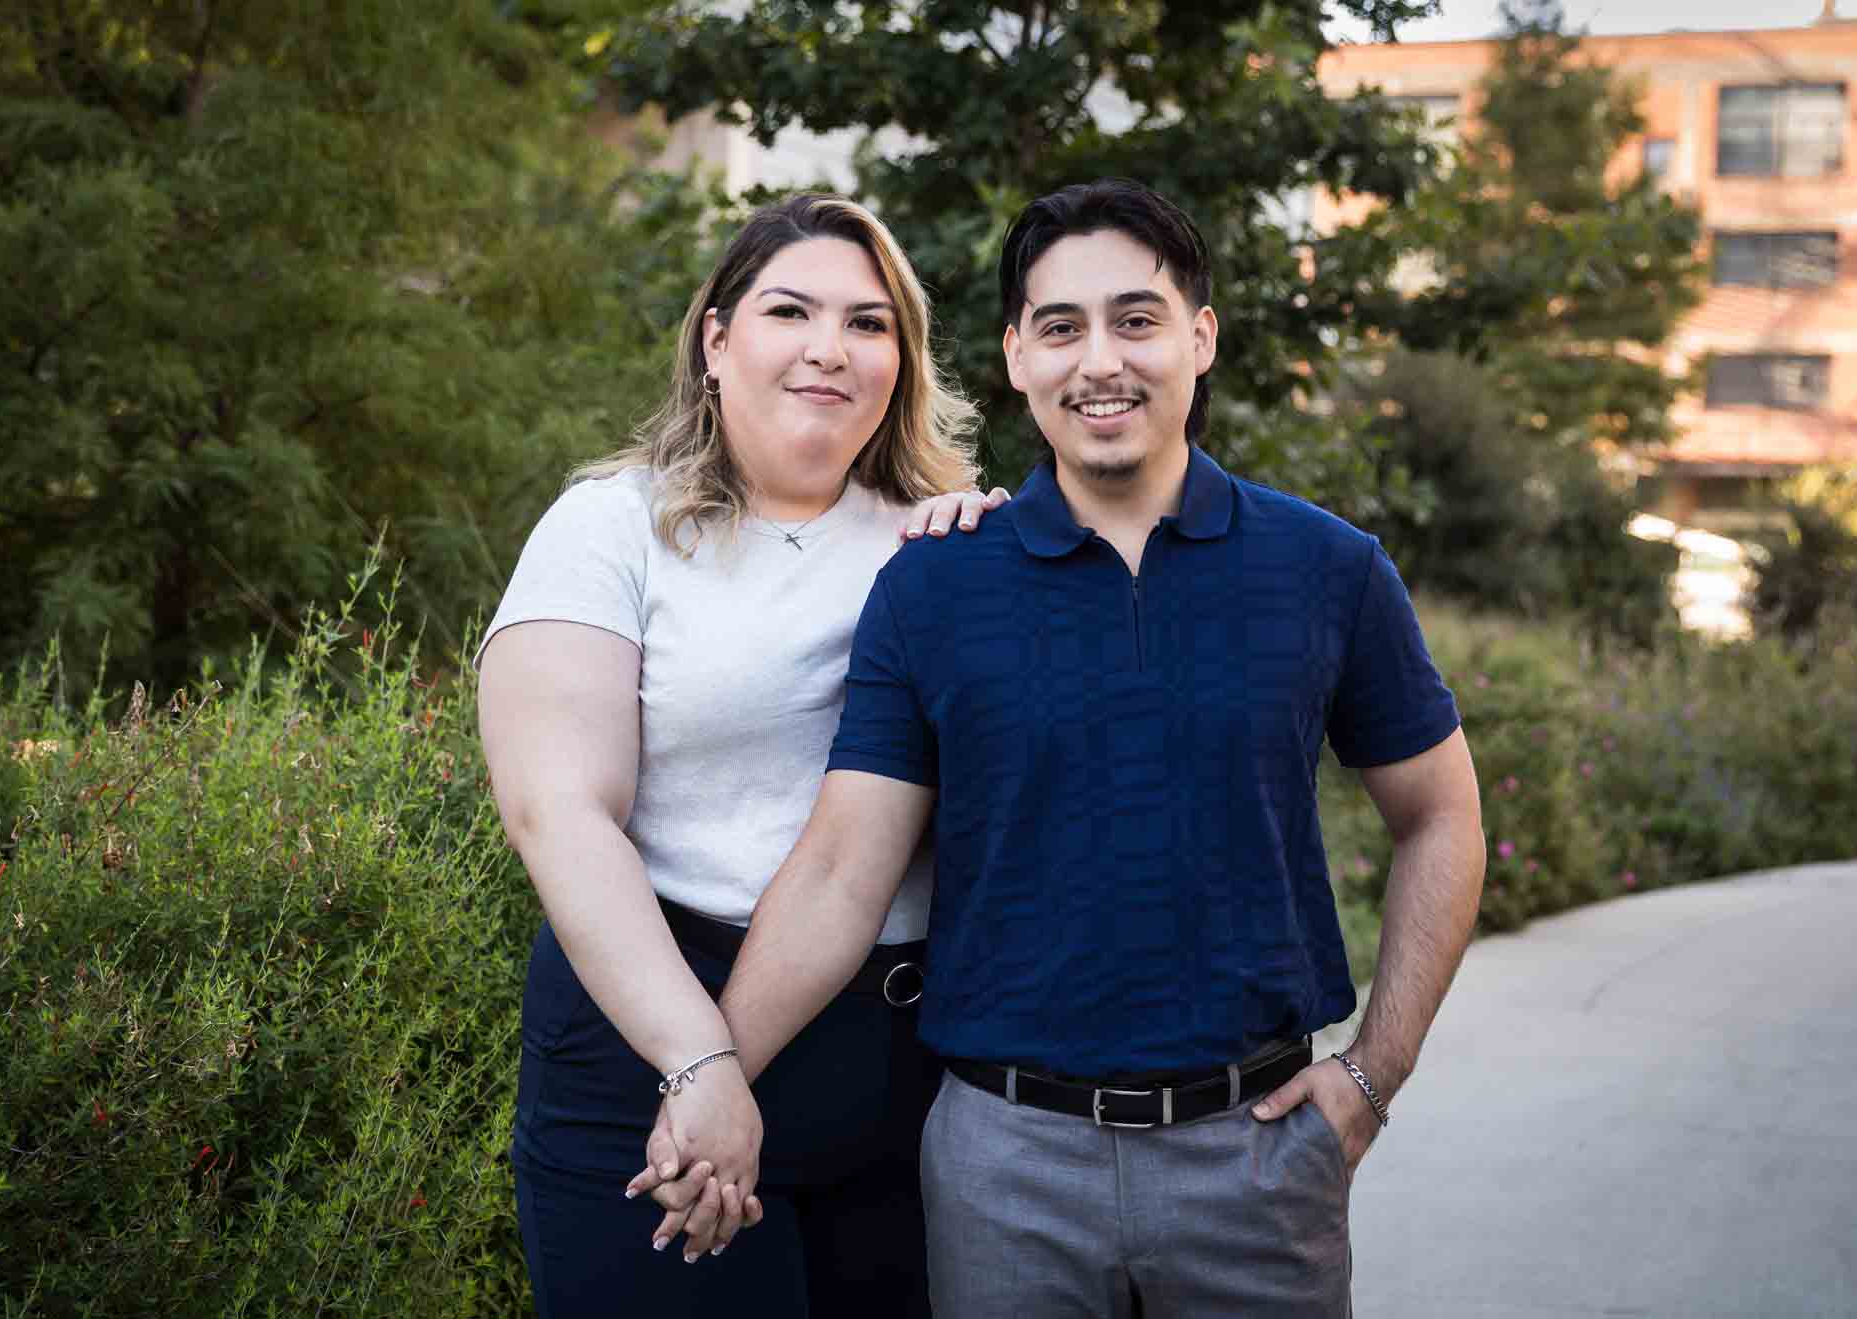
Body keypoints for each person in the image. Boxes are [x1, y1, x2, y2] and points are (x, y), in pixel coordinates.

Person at [633, 178, 1487, 1317]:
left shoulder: (1325, 568)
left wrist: (1372, 1077)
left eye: (1135, 320)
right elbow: (843, 866)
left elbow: (1440, 815)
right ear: (1016, 357)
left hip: (1258, 1158)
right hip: (1001, 1167)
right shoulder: (934, 582)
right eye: (1060, 327)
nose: (1101, 361)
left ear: (1199, 337)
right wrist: (708, 1072)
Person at [475, 193, 1007, 1317]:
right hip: (648, 1040)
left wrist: (1004, 573)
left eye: (869, 323)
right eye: (789, 311)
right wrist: (699, 1062)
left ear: (899, 360)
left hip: (904, 1073)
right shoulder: (611, 525)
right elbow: (558, 812)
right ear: (716, 341)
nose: (830, 347)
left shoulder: (953, 540)